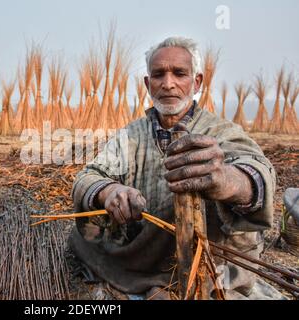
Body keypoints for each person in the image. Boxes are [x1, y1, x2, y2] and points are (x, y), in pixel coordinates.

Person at [69, 36, 277, 299]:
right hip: (143, 262)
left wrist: (226, 180)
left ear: (196, 82)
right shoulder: (130, 137)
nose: (168, 84)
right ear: (148, 83)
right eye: (158, 75)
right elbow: (88, 176)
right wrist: (110, 191)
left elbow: (257, 172)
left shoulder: (221, 132)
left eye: (179, 73)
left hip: (213, 270)